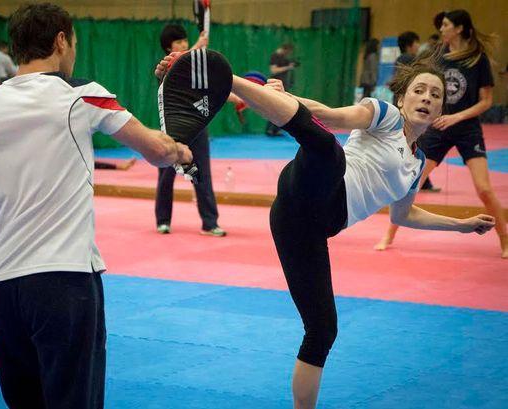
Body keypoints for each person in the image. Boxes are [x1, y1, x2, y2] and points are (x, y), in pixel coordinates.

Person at [156, 49, 495, 408]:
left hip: (303, 226)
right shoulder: (386, 115)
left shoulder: (419, 163)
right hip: (313, 184)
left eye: (435, 95)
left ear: (442, 110)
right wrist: (286, 98)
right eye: (419, 90)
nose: (427, 98)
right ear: (401, 97)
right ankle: (222, 80)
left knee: (322, 330)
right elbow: (329, 117)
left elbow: (404, 216)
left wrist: (461, 225)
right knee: (329, 151)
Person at [0, 3, 191, 408]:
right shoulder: (82, 94)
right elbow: (156, 151)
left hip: (2, 289)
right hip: (65, 282)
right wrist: (180, 149)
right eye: (72, 42)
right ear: (61, 41)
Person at [375, 10, 508, 258]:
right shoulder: (438, 56)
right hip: (436, 129)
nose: (442, 29)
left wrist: (456, 117)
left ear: (458, 28)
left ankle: (504, 239)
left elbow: (486, 101)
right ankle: (389, 235)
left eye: (446, 25)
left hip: (466, 129)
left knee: (484, 189)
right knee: (408, 185)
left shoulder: (476, 60)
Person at [155, 24, 225, 236]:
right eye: (179, 42)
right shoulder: (166, 66)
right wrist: (197, 46)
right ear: (169, 48)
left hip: (198, 129)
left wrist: (237, 98)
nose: (183, 44)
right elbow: (179, 64)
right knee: (167, 175)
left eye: (185, 40)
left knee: (201, 174)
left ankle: (210, 223)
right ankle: (163, 221)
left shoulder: (198, 71)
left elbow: (212, 90)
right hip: (172, 130)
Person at [394, 31, 440, 192]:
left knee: (414, 144)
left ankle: (422, 181)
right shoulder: (408, 60)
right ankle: (421, 182)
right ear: (410, 45)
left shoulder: (400, 59)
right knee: (415, 143)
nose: (418, 46)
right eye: (416, 43)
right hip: (406, 110)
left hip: (403, 107)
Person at [266, 43, 296, 136]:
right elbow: (273, 70)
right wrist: (288, 67)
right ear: (285, 49)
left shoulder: (284, 58)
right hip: (275, 85)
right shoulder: (275, 56)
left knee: (280, 107)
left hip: (282, 85)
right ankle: (270, 129)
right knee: (274, 106)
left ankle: (275, 129)